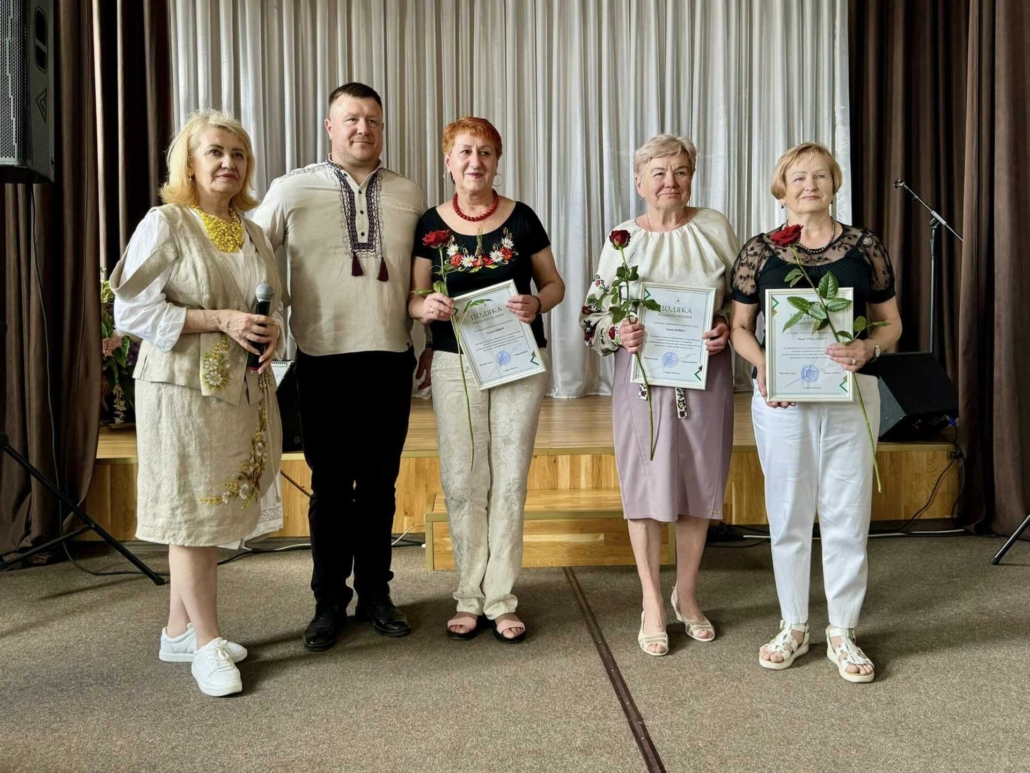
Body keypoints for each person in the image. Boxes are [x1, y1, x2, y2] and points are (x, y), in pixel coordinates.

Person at [111, 110, 285, 697]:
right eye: (215, 152)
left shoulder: (253, 231)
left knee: (206, 512)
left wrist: (271, 330)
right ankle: (207, 644)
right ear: (188, 163)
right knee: (190, 514)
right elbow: (130, 310)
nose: (228, 163)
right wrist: (219, 320)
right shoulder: (166, 223)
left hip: (238, 390)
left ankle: (178, 632)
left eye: (238, 154)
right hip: (180, 391)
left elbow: (270, 304)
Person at [252, 83, 426, 651]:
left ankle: (376, 592)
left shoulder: (409, 193)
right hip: (322, 359)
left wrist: (430, 340)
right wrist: (261, 319)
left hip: (390, 357)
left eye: (372, 120)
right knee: (329, 488)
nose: (362, 129)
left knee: (379, 485)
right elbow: (250, 253)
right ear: (329, 127)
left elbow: (425, 278)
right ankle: (328, 601)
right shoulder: (291, 188)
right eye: (351, 119)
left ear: (383, 128)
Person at [729, 141, 903, 683]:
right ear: (781, 188)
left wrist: (868, 347)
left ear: (834, 184)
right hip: (782, 399)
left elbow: (890, 323)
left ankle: (843, 631)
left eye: (821, 176)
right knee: (788, 514)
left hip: (852, 395)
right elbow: (739, 329)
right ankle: (793, 625)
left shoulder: (864, 246)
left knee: (847, 513)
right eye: (799, 177)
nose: (810, 185)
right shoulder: (759, 251)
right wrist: (765, 366)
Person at [580, 134, 737, 656]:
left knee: (698, 484)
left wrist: (724, 325)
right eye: (659, 173)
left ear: (692, 176)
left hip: (705, 373)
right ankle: (651, 599)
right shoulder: (623, 238)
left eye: (681, 171)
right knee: (644, 487)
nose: (671, 181)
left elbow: (744, 301)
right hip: (641, 377)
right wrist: (617, 331)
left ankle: (686, 594)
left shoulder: (714, 227)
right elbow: (591, 317)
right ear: (639, 181)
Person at [409, 117, 565, 642]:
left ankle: (500, 598)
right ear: (448, 162)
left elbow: (554, 284)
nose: (475, 161)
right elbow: (413, 298)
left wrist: (537, 303)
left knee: (511, 479)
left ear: (498, 162)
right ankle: (467, 595)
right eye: (465, 152)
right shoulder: (429, 223)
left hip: (518, 360)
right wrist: (426, 306)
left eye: (485, 152)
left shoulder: (522, 218)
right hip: (454, 362)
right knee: (461, 480)